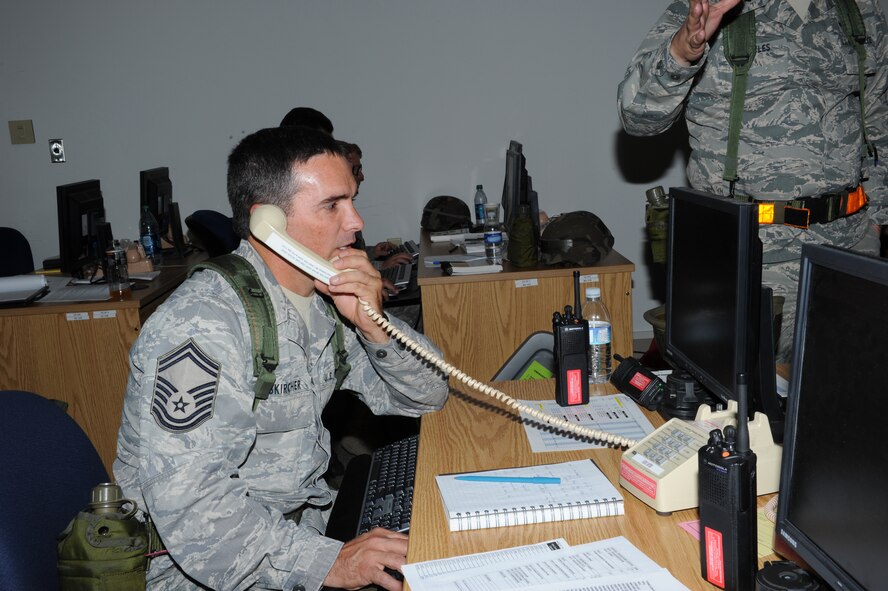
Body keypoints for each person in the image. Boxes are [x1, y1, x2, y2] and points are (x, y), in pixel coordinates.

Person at [113, 126, 449, 591]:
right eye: (333, 205)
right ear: (266, 221)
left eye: (350, 199)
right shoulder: (200, 325)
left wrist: (374, 326)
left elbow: (429, 395)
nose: (355, 222)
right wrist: (329, 564)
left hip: (294, 532)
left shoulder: (322, 300)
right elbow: (195, 514)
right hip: (205, 568)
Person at [618, 0, 888, 362]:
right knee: (743, 406)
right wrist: (682, 51)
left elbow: (878, 121)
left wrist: (876, 223)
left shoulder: (859, 10)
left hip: (848, 251)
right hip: (753, 256)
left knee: (841, 399)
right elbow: (637, 117)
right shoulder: (713, 7)